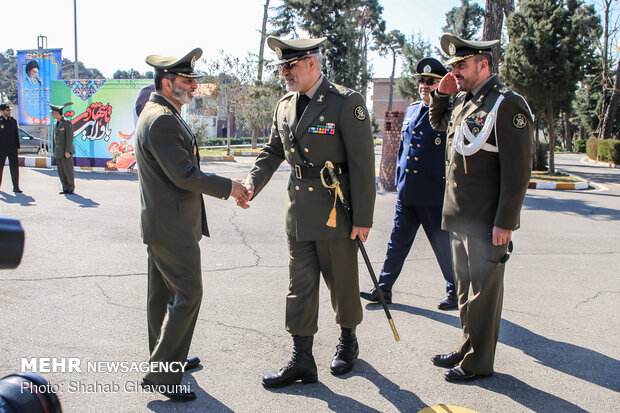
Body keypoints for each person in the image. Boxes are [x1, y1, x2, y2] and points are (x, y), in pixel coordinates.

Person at [243, 36, 376, 388]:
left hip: (336, 212)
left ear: (312, 64)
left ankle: (348, 340)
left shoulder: (345, 103)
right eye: (282, 66)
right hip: (299, 213)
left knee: (342, 284)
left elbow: (363, 164)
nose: (285, 72)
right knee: (299, 287)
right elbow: (272, 152)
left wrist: (363, 219)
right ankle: (302, 358)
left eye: (291, 65)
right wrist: (252, 183)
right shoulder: (284, 105)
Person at [135, 48, 250, 401]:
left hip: (163, 223)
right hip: (171, 227)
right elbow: (185, 175)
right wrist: (229, 187)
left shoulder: (159, 112)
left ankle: (168, 359)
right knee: (188, 294)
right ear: (168, 83)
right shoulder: (163, 119)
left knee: (162, 296)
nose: (193, 85)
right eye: (187, 80)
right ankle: (162, 374)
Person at [428, 34, 533, 382]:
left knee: (483, 295)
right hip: (460, 215)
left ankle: (479, 362)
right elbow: (437, 123)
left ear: (483, 65)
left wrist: (506, 222)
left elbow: (518, 172)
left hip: (488, 220)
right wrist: (441, 93)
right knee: (464, 290)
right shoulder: (464, 101)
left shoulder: (506, 104)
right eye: (454, 65)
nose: (454, 70)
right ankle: (467, 346)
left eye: (461, 64)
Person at [360, 57, 456, 310]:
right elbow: (405, 148)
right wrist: (397, 181)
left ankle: (456, 291)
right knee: (396, 242)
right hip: (408, 192)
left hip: (434, 192)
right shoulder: (412, 110)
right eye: (422, 81)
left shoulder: (450, 113)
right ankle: (384, 289)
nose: (424, 85)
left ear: (442, 84)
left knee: (442, 245)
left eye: (431, 81)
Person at [50, 104, 75, 194]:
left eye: (53, 112)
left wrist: (68, 151)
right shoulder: (55, 123)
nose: (52, 114)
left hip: (65, 151)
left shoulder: (67, 122)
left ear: (57, 112)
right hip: (58, 151)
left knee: (68, 170)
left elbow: (69, 138)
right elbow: (54, 138)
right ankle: (65, 187)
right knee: (61, 171)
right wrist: (54, 151)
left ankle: (71, 187)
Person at [0, 104, 22, 193]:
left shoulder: (13, 121)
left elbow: (16, 134)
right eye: (7, 110)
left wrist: (18, 146)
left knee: (14, 167)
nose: (9, 112)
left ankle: (16, 187)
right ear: (2, 111)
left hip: (12, 148)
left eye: (9, 110)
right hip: (1, 148)